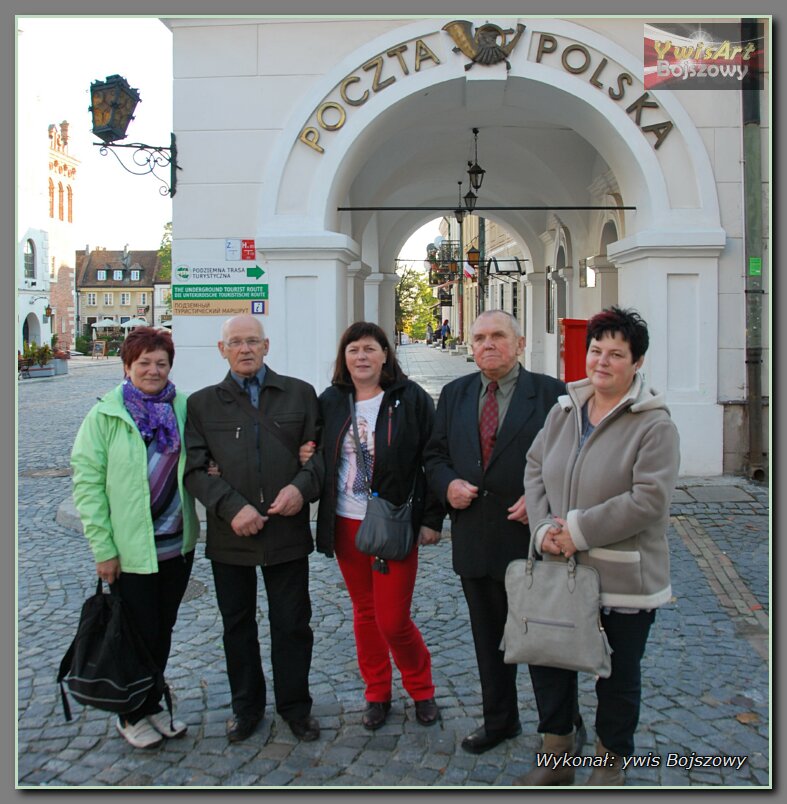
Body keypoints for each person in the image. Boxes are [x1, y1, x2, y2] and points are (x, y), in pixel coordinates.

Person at [517, 306, 680, 786]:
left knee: (617, 677)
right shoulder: (564, 408)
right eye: (595, 350)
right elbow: (534, 465)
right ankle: (557, 759)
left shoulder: (654, 425)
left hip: (623, 574)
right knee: (549, 663)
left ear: (637, 362)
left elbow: (648, 500)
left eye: (616, 353)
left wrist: (578, 530)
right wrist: (544, 528)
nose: (602, 362)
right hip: (557, 566)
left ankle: (609, 769)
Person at [423, 310, 579, 755]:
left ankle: (560, 725)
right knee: (488, 640)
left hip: (533, 540)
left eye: (497, 336)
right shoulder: (454, 394)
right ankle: (500, 721)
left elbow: (574, 461)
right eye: (479, 338)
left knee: (546, 640)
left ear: (520, 342)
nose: (487, 345)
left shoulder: (552, 394)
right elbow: (435, 455)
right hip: (476, 538)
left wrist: (542, 500)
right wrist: (447, 483)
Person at [183, 314, 322, 744]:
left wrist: (302, 489)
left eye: (253, 341)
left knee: (292, 624)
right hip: (232, 534)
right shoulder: (202, 404)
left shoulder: (300, 394)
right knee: (237, 625)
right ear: (221, 350)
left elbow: (321, 457)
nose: (245, 349)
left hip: (286, 530)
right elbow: (193, 470)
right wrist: (231, 506)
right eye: (236, 342)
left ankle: (295, 707)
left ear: (267, 347)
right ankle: (246, 708)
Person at [71, 327, 199, 750]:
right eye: (143, 362)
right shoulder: (106, 415)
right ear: (127, 366)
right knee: (135, 632)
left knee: (162, 630)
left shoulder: (182, 406)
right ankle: (131, 713)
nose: (153, 370)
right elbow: (88, 485)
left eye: (161, 363)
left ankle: (150, 701)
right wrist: (103, 549)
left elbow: (200, 457)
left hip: (176, 545)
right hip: (131, 550)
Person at [313, 321, 444, 731]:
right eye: (354, 350)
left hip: (395, 523)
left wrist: (432, 519)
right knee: (365, 613)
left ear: (386, 354)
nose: (362, 357)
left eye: (370, 348)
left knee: (393, 618)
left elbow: (434, 457)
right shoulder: (331, 401)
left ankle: (422, 688)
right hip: (346, 522)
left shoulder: (411, 399)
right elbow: (312, 450)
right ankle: (377, 693)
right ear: (344, 359)